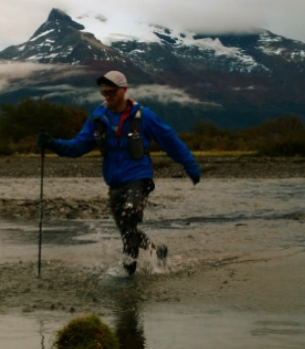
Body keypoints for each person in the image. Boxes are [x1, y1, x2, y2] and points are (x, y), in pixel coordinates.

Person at [38, 71, 201, 275]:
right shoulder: (98, 118)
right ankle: (156, 251)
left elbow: (171, 141)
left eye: (111, 92)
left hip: (139, 177)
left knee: (129, 214)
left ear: (124, 90)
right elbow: (78, 146)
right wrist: (53, 144)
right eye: (104, 92)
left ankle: (128, 272)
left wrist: (190, 166)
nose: (107, 96)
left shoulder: (144, 116)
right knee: (126, 228)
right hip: (114, 181)